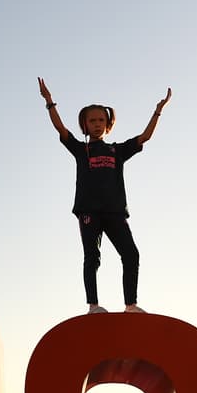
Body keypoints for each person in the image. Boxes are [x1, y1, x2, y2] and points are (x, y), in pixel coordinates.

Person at [37, 78, 172, 314]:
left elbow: (144, 137)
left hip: (114, 211)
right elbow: (61, 129)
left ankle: (130, 305)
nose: (97, 124)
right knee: (92, 257)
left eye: (101, 120)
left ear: (108, 123)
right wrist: (49, 102)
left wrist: (158, 111)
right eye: (92, 121)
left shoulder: (116, 151)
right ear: (85, 125)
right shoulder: (81, 150)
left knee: (131, 254)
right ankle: (93, 305)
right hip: (89, 211)